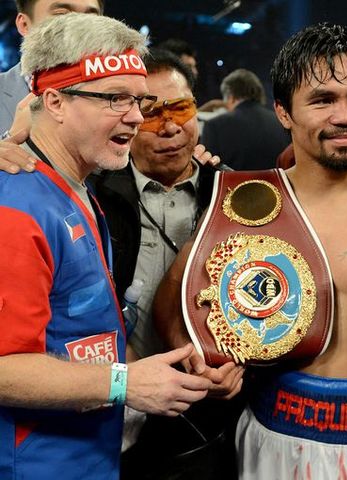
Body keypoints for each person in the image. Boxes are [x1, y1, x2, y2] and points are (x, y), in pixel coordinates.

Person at [154, 22, 347, 479]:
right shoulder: (249, 201)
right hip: (273, 435)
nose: (345, 116)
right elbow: (172, 300)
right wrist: (201, 361)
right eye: (322, 100)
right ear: (284, 112)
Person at [0, 13, 229, 479]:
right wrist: (126, 383)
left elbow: (85, 336)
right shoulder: (17, 209)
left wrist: (156, 370)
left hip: (89, 458)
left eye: (137, 99)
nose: (137, 117)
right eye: (115, 98)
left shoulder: (80, 188)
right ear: (55, 101)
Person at [91, 48, 243, 479]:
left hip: (212, 413)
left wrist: (240, 363)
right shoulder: (94, 195)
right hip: (122, 407)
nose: (171, 126)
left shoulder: (237, 193)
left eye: (181, 109)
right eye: (152, 113)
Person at [0, 0, 103, 136]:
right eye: (61, 14)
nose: (80, 26)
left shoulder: (124, 95)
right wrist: (9, 140)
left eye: (90, 17)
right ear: (24, 25)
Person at [200, 68, 290, 170]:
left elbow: (207, 171)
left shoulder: (214, 126)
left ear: (230, 97)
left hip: (232, 181)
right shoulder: (282, 122)